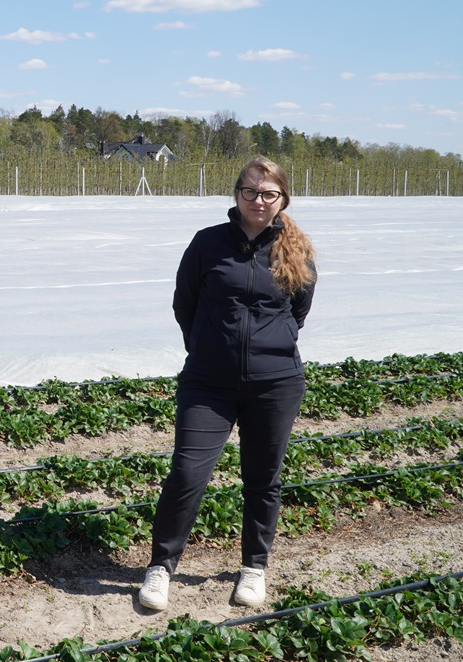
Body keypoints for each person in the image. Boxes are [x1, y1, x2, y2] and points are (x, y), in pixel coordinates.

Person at [138, 156, 317, 612]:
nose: (258, 201)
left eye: (268, 193)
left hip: (274, 383)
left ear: (282, 199)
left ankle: (253, 569)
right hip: (208, 383)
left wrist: (270, 348)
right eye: (250, 192)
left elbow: (298, 313)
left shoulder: (297, 250)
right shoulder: (207, 243)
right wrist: (207, 347)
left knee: (263, 479)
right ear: (236, 194)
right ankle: (161, 567)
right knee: (187, 474)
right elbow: (186, 303)